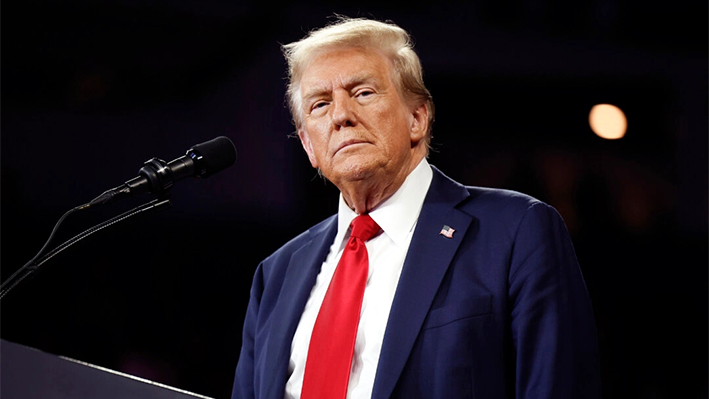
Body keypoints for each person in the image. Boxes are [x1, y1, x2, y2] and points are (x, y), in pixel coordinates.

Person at [231, 15, 601, 399]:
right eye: (320, 104)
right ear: (309, 146)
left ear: (417, 118)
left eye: (363, 93)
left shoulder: (516, 231)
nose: (341, 116)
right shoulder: (275, 275)